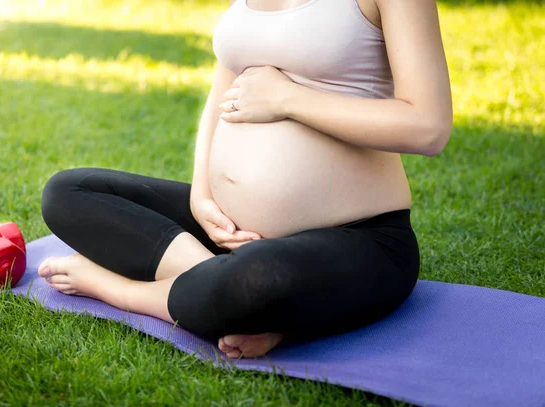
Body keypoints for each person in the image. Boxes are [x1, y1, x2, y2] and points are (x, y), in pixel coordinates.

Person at [38, 0, 452, 359]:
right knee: (67, 191)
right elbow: (223, 93)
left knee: (252, 281)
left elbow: (428, 126)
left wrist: (288, 99)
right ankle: (226, 289)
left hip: (359, 237)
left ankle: (120, 289)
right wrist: (203, 195)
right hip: (230, 231)